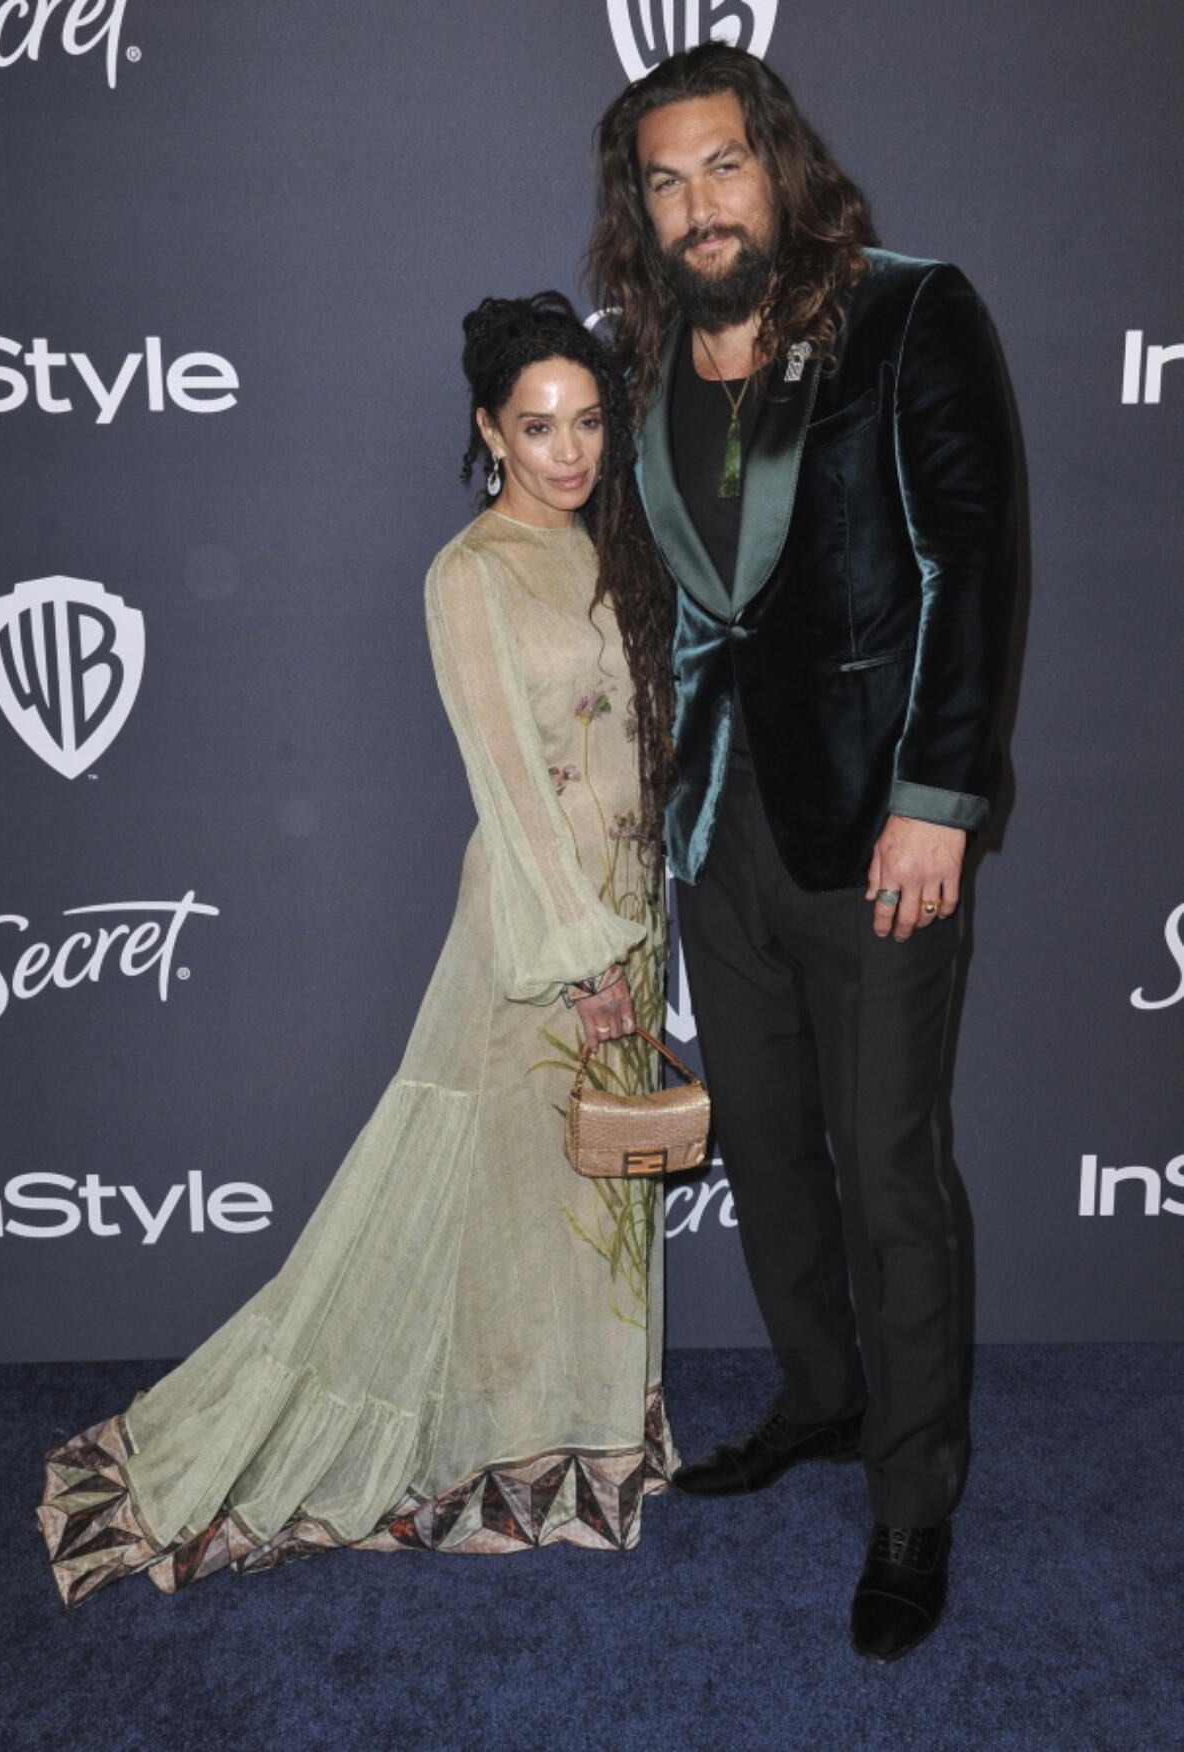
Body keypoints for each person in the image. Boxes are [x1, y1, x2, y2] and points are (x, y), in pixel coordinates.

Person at [37, 292, 679, 1607]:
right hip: (543, 933)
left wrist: (642, 925)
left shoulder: (607, 547)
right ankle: (473, 1447)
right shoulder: (471, 572)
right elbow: (507, 783)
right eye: (538, 426)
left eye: (589, 422)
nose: (568, 451)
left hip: (631, 905)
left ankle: (576, 1443)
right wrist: (590, 962)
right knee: (497, 1188)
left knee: (588, 1203)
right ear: (487, 431)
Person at [589, 45, 1017, 1661]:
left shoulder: (908, 312)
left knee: (887, 1168)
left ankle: (912, 1494)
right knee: (766, 1152)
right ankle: (823, 1401)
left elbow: (967, 562)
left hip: (878, 832)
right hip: (722, 833)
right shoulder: (643, 365)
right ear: (639, 210)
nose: (699, 206)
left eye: (722, 167)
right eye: (665, 181)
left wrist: (939, 793)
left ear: (776, 165)